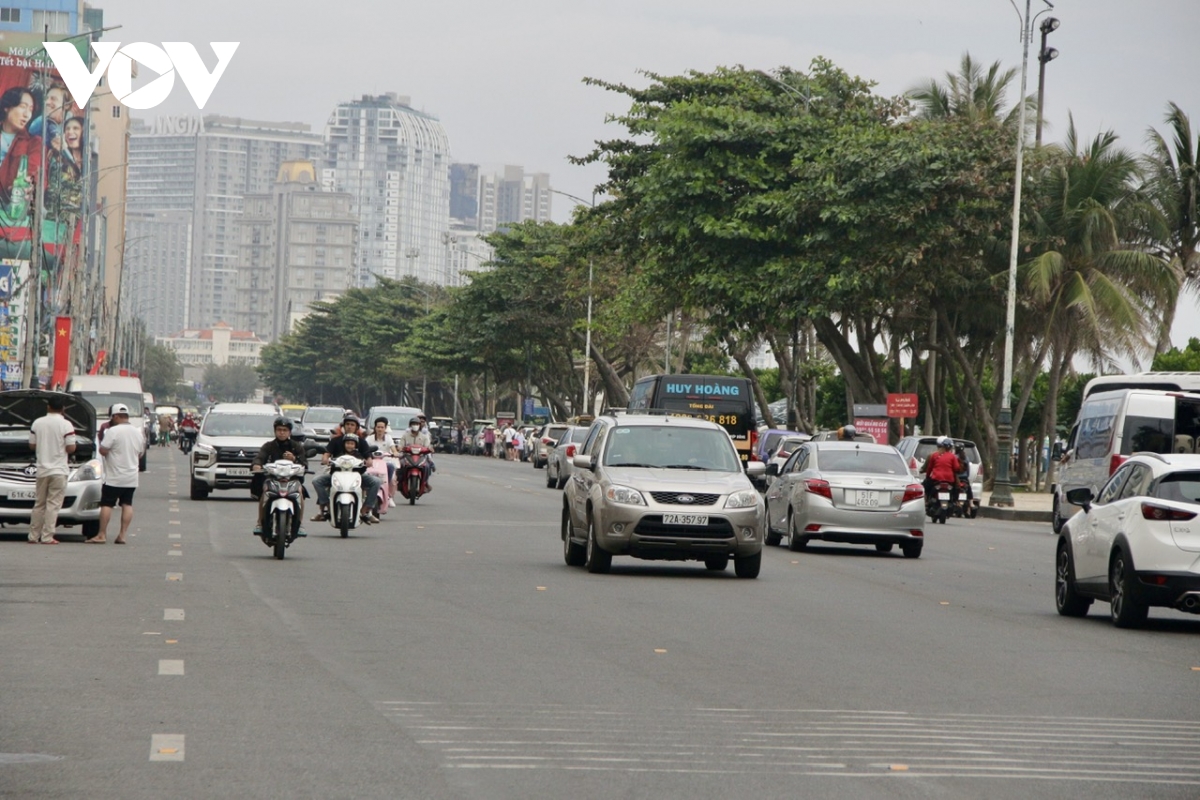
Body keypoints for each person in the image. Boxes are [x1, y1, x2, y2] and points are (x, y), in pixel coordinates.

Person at [311, 415, 383, 524]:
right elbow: (327, 453)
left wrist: (369, 461)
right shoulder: (335, 440)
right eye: (347, 424)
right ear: (344, 426)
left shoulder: (362, 442)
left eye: (352, 425)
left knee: (376, 482)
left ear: (356, 427)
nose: (349, 427)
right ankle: (326, 508)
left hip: (358, 475)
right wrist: (325, 459)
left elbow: (368, 455)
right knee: (317, 481)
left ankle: (366, 511)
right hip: (336, 474)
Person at [93, 403, 147, 544]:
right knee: (127, 504)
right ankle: (122, 535)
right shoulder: (137, 432)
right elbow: (140, 454)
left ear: (116, 416)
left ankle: (102, 534)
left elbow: (103, 450)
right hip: (131, 476)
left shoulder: (113, 431)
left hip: (114, 476)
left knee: (107, 504)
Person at [27, 394, 77, 544]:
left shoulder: (37, 423)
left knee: (39, 504)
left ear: (48, 407)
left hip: (42, 469)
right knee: (53, 504)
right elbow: (71, 448)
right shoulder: (66, 425)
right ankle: (47, 536)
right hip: (59, 470)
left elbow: (32, 445)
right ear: (63, 409)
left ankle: (33, 536)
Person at [250, 416, 308, 538]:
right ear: (275, 431)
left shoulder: (296, 446)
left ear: (289, 432)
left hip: (292, 479)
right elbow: (260, 457)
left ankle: (300, 523)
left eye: (285, 430)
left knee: (300, 492)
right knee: (264, 492)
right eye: (279, 430)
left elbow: (304, 463)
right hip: (272, 479)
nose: (282, 432)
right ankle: (260, 522)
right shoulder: (268, 446)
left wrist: (294, 459)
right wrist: (256, 465)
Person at [366, 417, 399, 505]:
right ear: (375, 428)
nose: (380, 429)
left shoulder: (388, 438)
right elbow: (364, 449)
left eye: (382, 427)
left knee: (392, 476)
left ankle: (389, 495)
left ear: (385, 428)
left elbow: (393, 448)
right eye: (378, 427)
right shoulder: (369, 438)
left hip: (385, 462)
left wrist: (395, 453)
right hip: (372, 462)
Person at [397, 416, 433, 493]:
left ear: (420, 425)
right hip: (407, 456)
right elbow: (401, 445)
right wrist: (400, 448)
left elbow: (428, 446)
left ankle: (425, 482)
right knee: (400, 465)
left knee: (427, 466)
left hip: (421, 457)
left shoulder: (424, 436)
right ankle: (400, 482)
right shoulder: (405, 436)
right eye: (413, 424)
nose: (415, 425)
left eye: (417, 424)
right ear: (410, 425)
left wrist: (430, 449)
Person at [922, 437, 963, 502]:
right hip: (949, 480)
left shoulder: (934, 455)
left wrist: (927, 477)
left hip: (936, 479)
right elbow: (956, 468)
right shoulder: (952, 456)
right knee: (957, 489)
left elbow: (929, 468)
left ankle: (926, 501)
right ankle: (956, 502)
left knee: (925, 487)